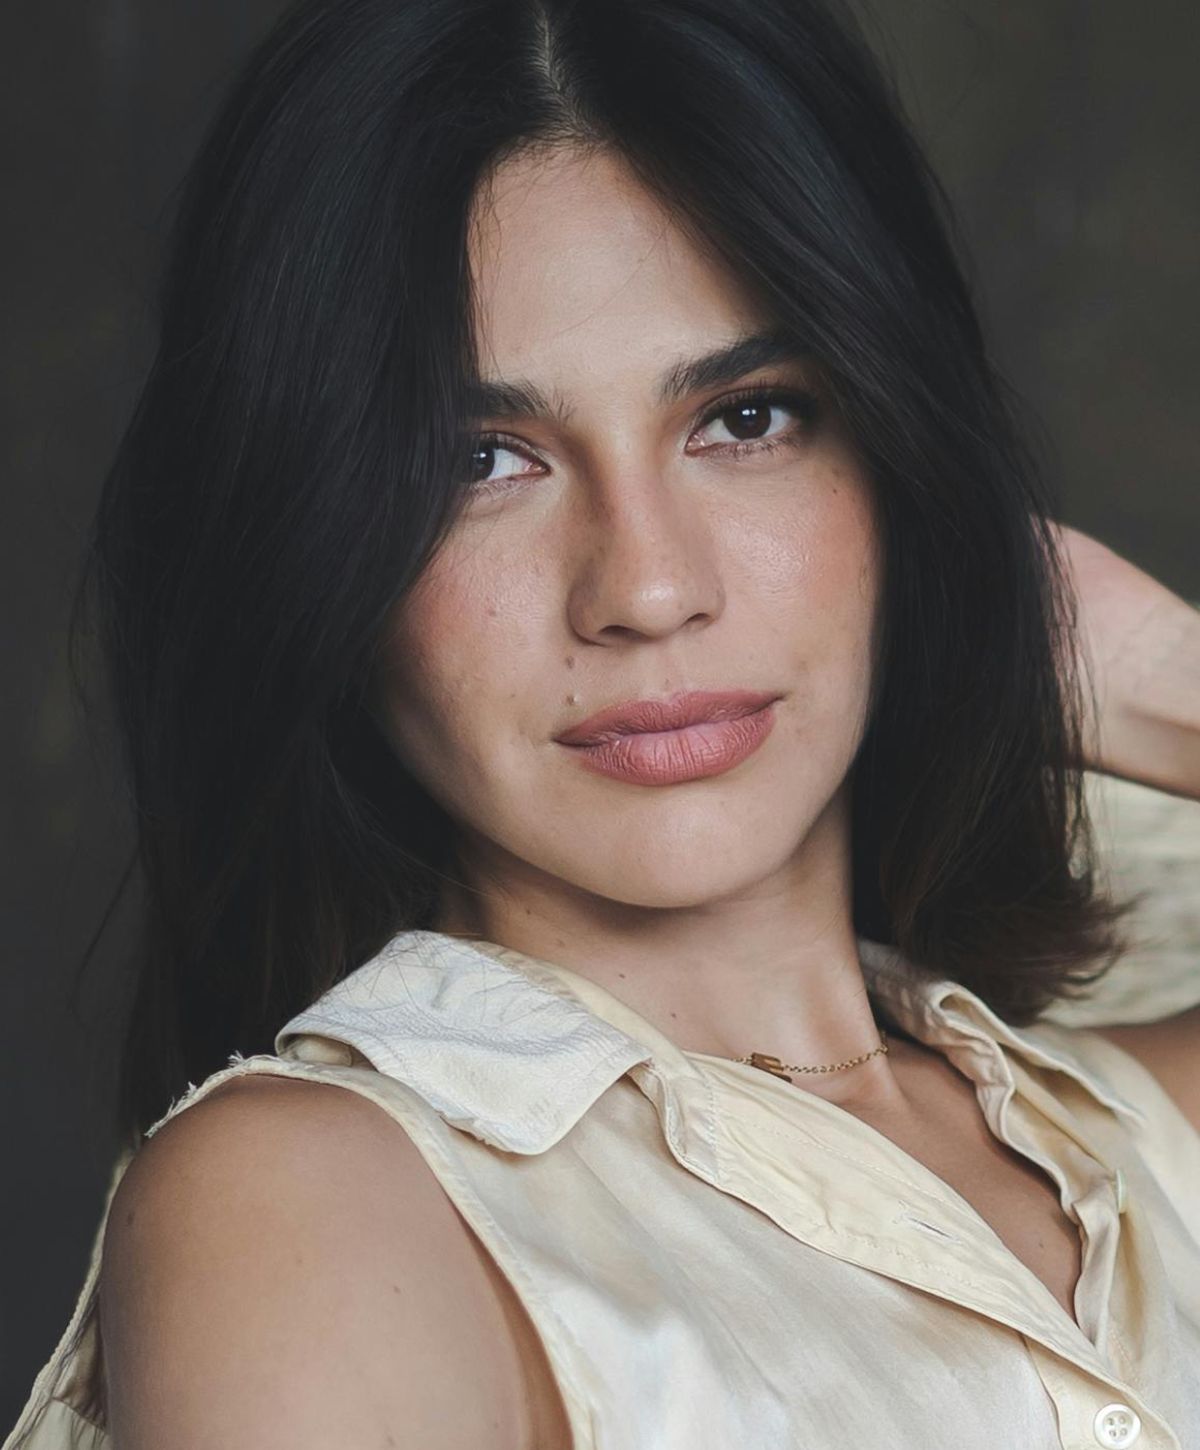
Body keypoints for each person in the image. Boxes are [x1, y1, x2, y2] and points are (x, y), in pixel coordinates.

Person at [5, 0, 1199, 1446]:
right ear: (319, 546)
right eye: (483, 459)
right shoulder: (316, 1208)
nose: (644, 584)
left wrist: (1156, 674)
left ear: (897, 455)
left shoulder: (1128, 1135)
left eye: (747, 419)